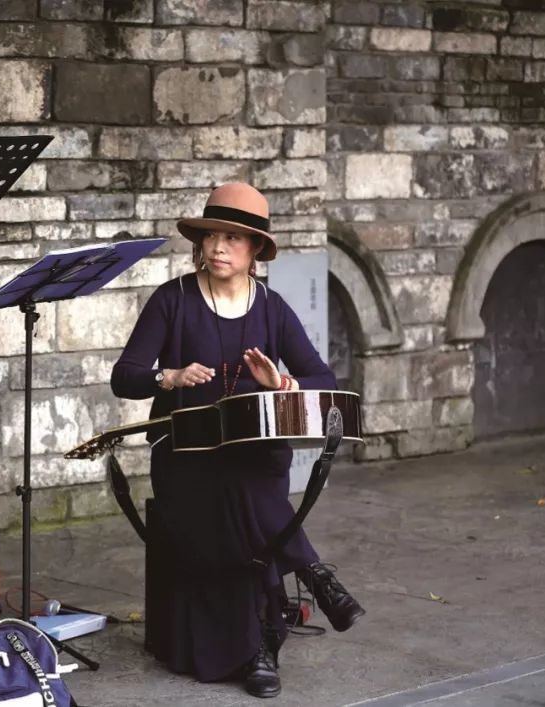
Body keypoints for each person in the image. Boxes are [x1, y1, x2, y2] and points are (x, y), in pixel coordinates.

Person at [110, 182, 365, 698]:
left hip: (252, 455)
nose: (219, 247)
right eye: (211, 237)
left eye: (233, 238)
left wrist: (283, 385)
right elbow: (124, 376)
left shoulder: (272, 308)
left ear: (254, 250)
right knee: (238, 494)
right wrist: (171, 377)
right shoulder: (172, 300)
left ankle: (259, 645)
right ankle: (302, 587)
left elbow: (323, 377)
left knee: (245, 485)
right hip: (184, 455)